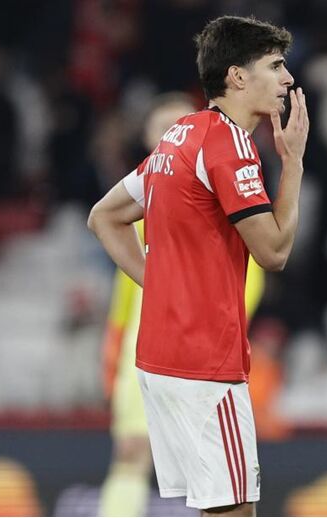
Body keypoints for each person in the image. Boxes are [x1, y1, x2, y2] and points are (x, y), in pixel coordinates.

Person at [87, 15, 308, 517]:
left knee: (215, 508)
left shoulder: (179, 135)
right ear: (236, 76)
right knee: (236, 510)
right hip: (206, 366)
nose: (288, 79)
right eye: (275, 66)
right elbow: (273, 253)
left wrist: (158, 285)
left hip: (160, 361)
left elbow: (104, 217)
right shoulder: (229, 145)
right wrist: (292, 162)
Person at [96, 93, 268, 517]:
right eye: (163, 127)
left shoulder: (225, 217)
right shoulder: (142, 223)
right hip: (147, 356)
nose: (172, 135)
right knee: (134, 457)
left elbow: (240, 293)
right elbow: (121, 308)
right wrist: (112, 360)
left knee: (215, 486)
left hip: (200, 357)